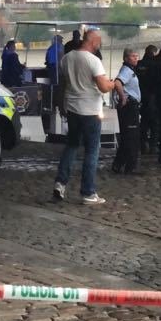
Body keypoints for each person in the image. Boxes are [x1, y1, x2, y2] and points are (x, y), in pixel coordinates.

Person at [53, 30, 114, 205]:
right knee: (92, 151)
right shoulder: (94, 61)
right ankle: (88, 192)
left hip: (72, 109)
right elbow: (103, 87)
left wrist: (61, 104)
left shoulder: (67, 58)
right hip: (90, 111)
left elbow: (63, 84)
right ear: (93, 41)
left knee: (71, 146)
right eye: (99, 41)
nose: (99, 44)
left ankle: (60, 183)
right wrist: (114, 83)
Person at [111, 48, 142, 174]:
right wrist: (123, 97)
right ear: (126, 58)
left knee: (127, 136)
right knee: (132, 137)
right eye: (133, 56)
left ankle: (118, 164)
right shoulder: (127, 70)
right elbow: (117, 83)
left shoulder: (131, 70)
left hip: (132, 106)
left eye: (136, 56)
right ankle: (130, 166)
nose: (136, 58)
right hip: (129, 106)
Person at [42, 34, 66, 133]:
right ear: (59, 40)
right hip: (57, 70)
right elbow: (63, 59)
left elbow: (47, 59)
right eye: (61, 40)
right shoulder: (60, 47)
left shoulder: (50, 48)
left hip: (52, 69)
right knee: (59, 87)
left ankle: (52, 101)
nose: (61, 41)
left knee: (53, 85)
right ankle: (58, 103)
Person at [137, 45, 158, 154]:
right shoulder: (155, 65)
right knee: (154, 122)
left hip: (141, 97)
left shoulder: (139, 64)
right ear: (154, 53)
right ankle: (153, 146)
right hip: (153, 96)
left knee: (144, 121)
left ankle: (142, 144)